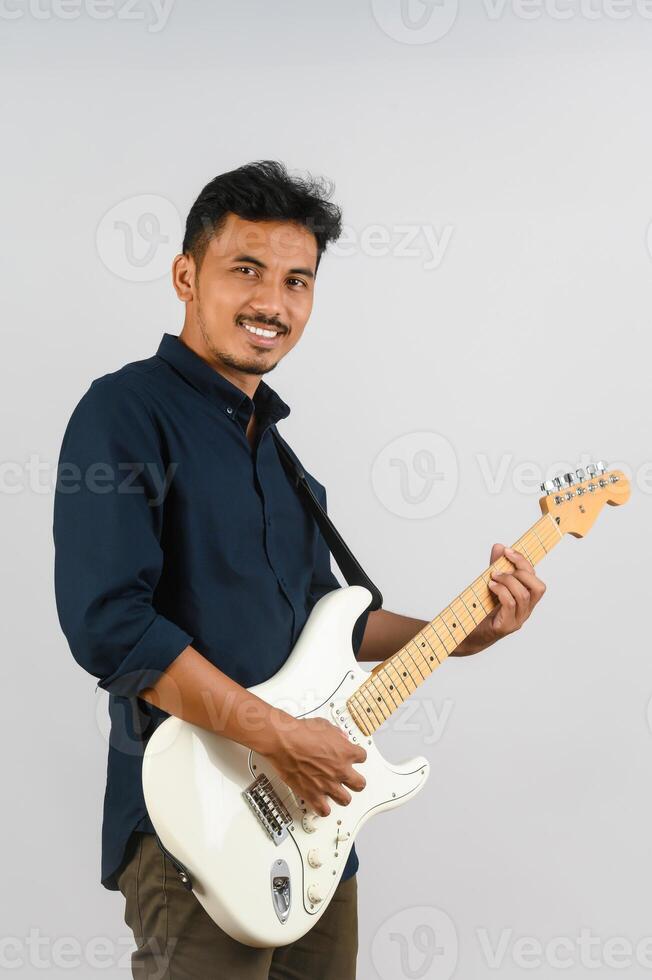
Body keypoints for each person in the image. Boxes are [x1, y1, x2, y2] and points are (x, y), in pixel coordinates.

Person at [53, 160, 547, 979]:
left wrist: (468, 632)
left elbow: (334, 623)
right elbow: (112, 626)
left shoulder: (286, 466)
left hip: (313, 833)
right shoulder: (124, 411)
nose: (272, 304)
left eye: (297, 281)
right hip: (195, 824)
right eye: (246, 269)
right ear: (186, 275)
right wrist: (279, 737)